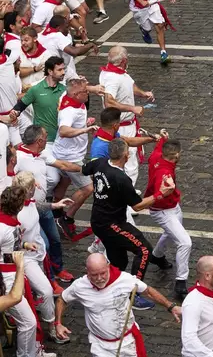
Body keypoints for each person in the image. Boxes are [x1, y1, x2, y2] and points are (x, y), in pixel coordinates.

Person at [81, 138, 175, 310]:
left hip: (99, 221)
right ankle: (134, 294)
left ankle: (107, 289)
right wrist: (160, 194)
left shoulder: (100, 163)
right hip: (112, 224)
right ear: (126, 154)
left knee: (119, 260)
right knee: (144, 250)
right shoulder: (121, 178)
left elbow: (85, 169)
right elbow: (137, 206)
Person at [54, 253, 182, 357]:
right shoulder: (80, 286)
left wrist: (170, 306)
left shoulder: (125, 280)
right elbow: (62, 299)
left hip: (128, 343)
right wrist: (58, 324)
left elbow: (148, 291)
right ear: (87, 272)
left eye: (103, 273)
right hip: (100, 346)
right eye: (94, 275)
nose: (99, 278)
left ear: (108, 266)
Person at [14, 125, 81, 291]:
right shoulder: (19, 158)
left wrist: (85, 169)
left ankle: (58, 269)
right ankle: (47, 278)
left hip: (44, 206)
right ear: (39, 141)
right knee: (44, 245)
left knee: (55, 240)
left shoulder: (42, 154)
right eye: (45, 136)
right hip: (29, 210)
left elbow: (62, 165)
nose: (47, 138)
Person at [86, 107, 158, 255]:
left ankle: (97, 248)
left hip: (116, 199)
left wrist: (152, 138)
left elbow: (128, 141)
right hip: (113, 201)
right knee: (127, 233)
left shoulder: (111, 136)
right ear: (115, 125)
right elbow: (97, 175)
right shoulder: (100, 147)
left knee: (111, 233)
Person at [13, 172, 71, 344]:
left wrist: (56, 205)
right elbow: (11, 242)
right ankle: (52, 328)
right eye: (34, 186)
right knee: (46, 291)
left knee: (40, 291)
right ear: (29, 190)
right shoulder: (17, 214)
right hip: (27, 258)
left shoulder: (27, 202)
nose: (37, 187)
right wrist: (23, 247)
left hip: (39, 254)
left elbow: (36, 206)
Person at [0, 185, 57, 357]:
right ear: (18, 206)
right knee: (28, 322)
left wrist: (23, 245)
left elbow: (7, 248)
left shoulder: (9, 223)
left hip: (15, 274)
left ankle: (33, 352)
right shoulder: (2, 228)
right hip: (7, 280)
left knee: (29, 319)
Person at [99, 45, 155, 188]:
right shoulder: (113, 78)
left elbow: (129, 84)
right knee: (129, 164)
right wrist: (132, 108)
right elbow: (109, 101)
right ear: (124, 60)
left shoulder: (116, 72)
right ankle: (127, 202)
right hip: (122, 127)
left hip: (124, 125)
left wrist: (143, 93)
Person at [145, 130, 192, 299]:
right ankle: (181, 282)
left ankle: (157, 256)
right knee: (185, 242)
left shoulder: (157, 156)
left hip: (172, 206)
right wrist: (166, 189)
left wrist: (163, 138)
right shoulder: (164, 173)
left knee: (171, 233)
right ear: (176, 155)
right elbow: (160, 190)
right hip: (164, 210)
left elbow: (158, 148)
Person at [49, 78, 97, 240]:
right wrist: (85, 129)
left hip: (63, 152)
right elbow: (63, 131)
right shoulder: (70, 110)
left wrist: (84, 123)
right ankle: (67, 217)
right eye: (85, 91)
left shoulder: (68, 96)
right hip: (70, 157)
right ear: (76, 94)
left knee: (64, 181)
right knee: (88, 188)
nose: (88, 93)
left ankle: (55, 211)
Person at [122, 0, 177, 64]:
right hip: (138, 6)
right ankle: (144, 30)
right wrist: (141, 1)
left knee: (160, 25)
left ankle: (163, 53)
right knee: (147, 28)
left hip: (151, 0)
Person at [38, 15, 99, 83]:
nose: (68, 29)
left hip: (58, 69)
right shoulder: (57, 36)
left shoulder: (42, 34)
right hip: (56, 72)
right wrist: (90, 45)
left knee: (80, 84)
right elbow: (75, 52)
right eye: (66, 27)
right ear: (59, 28)